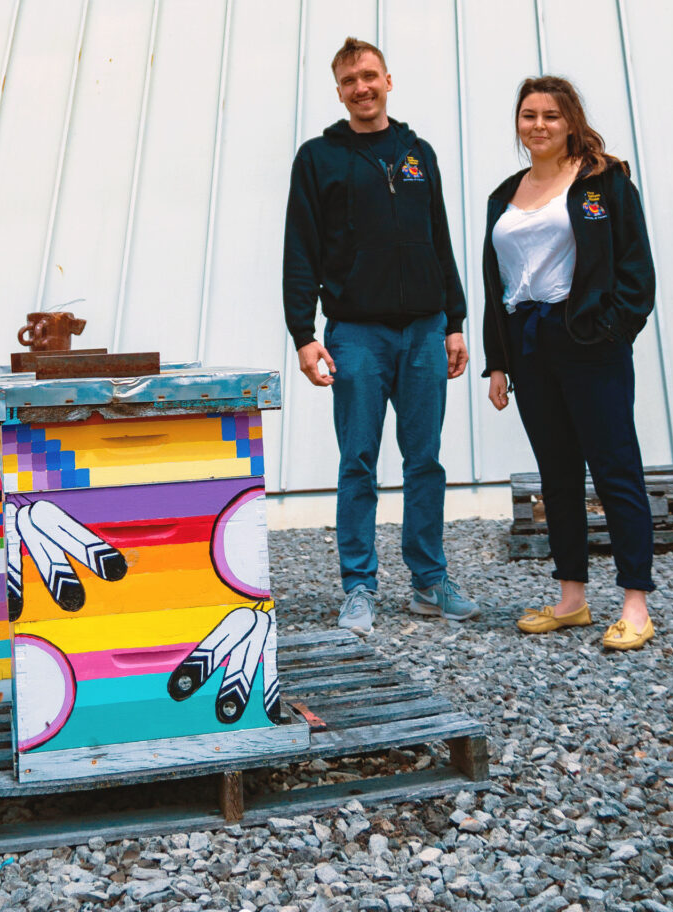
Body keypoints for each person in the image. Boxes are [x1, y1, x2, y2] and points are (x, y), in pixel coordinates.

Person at [283, 36, 482, 636]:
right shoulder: (318, 158)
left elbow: (439, 237)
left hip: (424, 333)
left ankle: (428, 582)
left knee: (425, 461)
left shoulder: (417, 151)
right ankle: (359, 588)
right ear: (339, 90)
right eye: (349, 81)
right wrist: (303, 333)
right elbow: (300, 249)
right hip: (356, 337)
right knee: (358, 464)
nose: (362, 88)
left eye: (370, 76)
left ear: (388, 80)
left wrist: (454, 320)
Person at [481, 76, 657, 650]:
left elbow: (636, 270)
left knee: (614, 470)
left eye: (551, 116)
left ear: (571, 120)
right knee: (557, 476)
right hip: (530, 345)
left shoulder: (602, 181)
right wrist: (499, 361)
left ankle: (635, 603)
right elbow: (497, 283)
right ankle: (572, 599)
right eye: (528, 115)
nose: (538, 125)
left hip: (587, 341)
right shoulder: (504, 194)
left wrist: (611, 332)